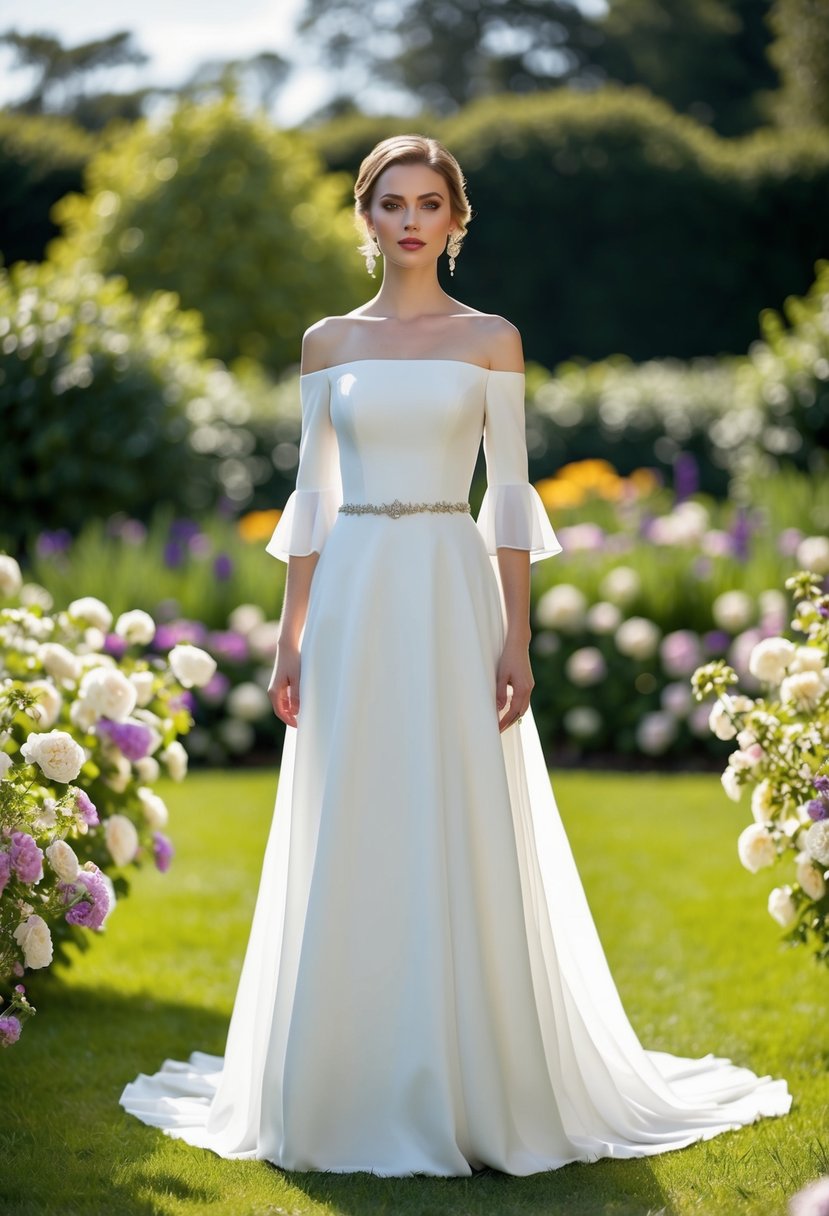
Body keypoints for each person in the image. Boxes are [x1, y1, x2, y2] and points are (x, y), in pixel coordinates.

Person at [119, 133, 791, 1176]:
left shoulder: (492, 340)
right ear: (366, 215)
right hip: (351, 590)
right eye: (392, 202)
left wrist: (514, 632)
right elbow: (312, 500)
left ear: (455, 219)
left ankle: (471, 1077)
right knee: (352, 811)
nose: (410, 219)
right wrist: (289, 636)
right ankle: (340, 1076)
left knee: (452, 808)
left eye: (429, 202)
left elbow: (510, 501)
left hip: (446, 580)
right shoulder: (327, 342)